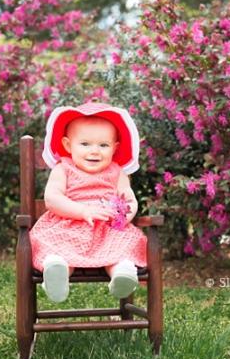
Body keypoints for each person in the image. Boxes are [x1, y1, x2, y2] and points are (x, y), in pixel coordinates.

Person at [30, 102, 147, 302]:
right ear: (68, 145)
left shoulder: (116, 171)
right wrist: (83, 211)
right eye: (85, 144)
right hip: (68, 225)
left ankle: (122, 273)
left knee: (122, 245)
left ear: (115, 148)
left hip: (107, 230)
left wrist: (124, 216)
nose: (94, 151)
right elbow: (52, 198)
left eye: (103, 145)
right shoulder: (63, 168)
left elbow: (128, 198)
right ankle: (57, 271)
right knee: (55, 245)